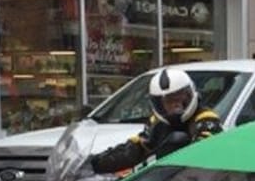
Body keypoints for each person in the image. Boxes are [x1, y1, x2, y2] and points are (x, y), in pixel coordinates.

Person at [90, 67, 222, 174]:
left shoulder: (206, 118)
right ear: (159, 104)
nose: (175, 105)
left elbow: (203, 151)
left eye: (179, 98)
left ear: (190, 94)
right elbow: (138, 146)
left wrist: (161, 155)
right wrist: (97, 163)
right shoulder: (158, 121)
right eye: (169, 102)